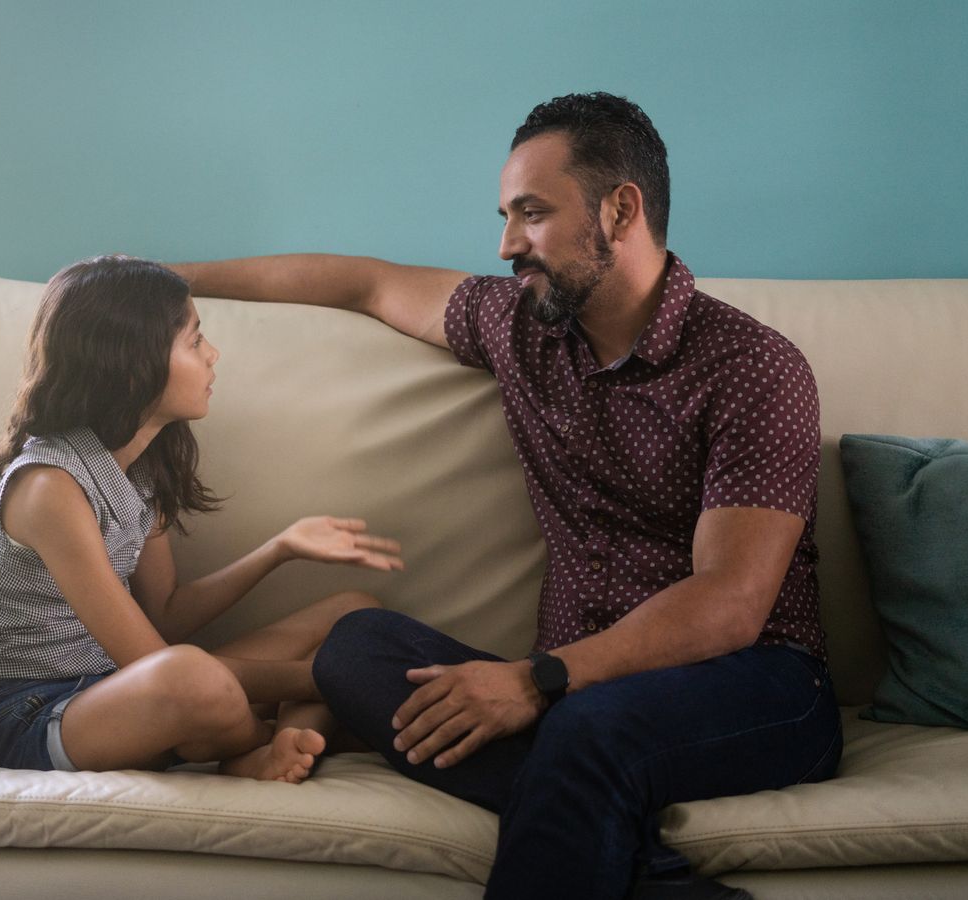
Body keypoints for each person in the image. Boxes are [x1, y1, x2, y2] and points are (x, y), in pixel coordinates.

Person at [170, 93, 843, 898]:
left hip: (752, 686)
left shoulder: (751, 367)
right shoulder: (517, 326)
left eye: (531, 213)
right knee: (355, 647)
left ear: (620, 210)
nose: (505, 245)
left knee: (590, 730)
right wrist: (158, 278)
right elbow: (364, 285)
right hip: (570, 691)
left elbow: (730, 602)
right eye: (505, 215)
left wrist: (535, 682)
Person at [0, 255, 403, 784]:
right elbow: (151, 661)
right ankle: (257, 745)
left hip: (121, 685)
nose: (213, 355)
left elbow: (166, 613)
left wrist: (280, 548)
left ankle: (276, 737)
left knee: (354, 615)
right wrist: (324, 679)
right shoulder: (50, 487)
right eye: (194, 341)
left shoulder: (141, 466)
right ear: (131, 366)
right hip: (42, 715)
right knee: (190, 677)